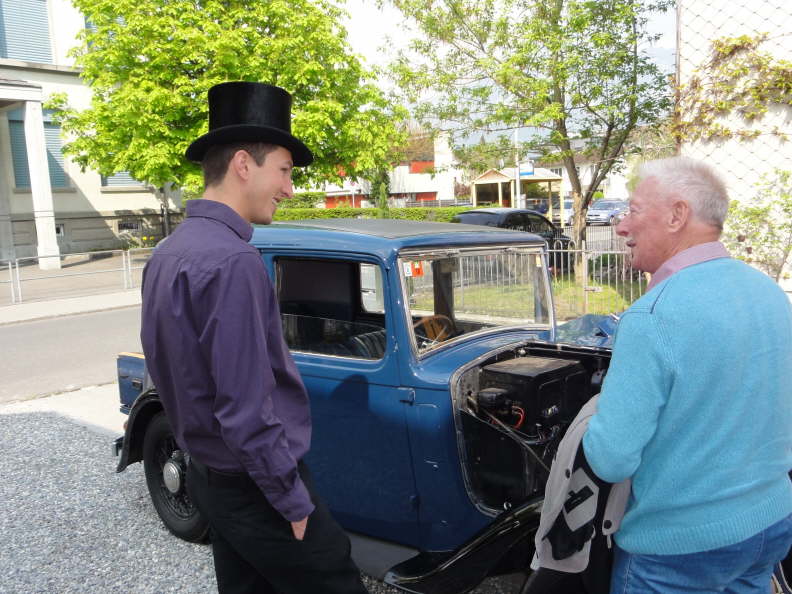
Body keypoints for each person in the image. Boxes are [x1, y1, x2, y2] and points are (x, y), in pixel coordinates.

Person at [140, 82, 368, 594]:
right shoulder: (234, 261)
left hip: (208, 474)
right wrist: (289, 498)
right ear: (244, 164)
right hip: (257, 484)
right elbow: (245, 407)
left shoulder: (167, 252)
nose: (289, 187)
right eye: (284, 171)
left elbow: (165, 371)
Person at [582, 156, 792, 592]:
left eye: (634, 210)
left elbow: (611, 458)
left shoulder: (653, 315)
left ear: (678, 215)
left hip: (679, 550)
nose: (621, 226)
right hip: (769, 523)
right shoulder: (767, 290)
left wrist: (590, 421)